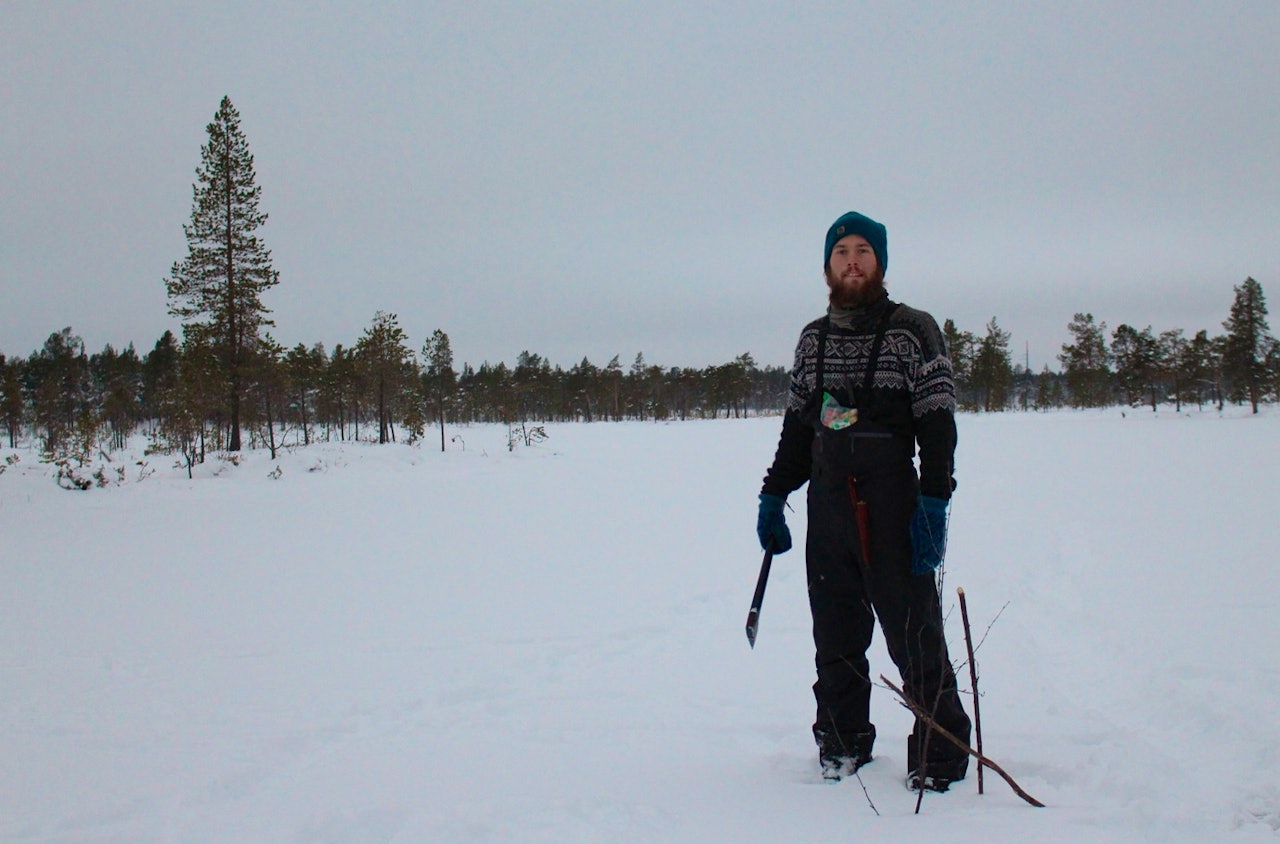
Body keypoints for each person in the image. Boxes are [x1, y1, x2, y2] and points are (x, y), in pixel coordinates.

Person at [756, 210, 971, 791]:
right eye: (842, 252)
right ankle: (841, 745)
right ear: (828, 265)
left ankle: (941, 755)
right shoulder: (813, 339)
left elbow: (936, 425)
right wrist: (774, 494)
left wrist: (934, 503)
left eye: (863, 252)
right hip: (828, 505)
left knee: (914, 635)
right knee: (836, 637)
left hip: (893, 505)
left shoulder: (914, 330)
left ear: (880, 262)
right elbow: (800, 428)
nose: (852, 262)